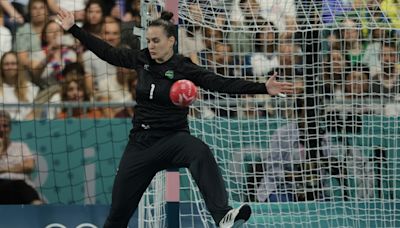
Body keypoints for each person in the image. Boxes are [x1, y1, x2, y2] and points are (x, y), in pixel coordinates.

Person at [56, 8, 296, 228]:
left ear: (171, 41)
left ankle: (222, 214)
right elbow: (109, 53)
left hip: (173, 140)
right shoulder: (142, 60)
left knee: (199, 150)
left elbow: (220, 83)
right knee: (118, 215)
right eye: (149, 41)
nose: (151, 45)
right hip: (140, 143)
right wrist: (74, 29)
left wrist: (263, 88)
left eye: (156, 41)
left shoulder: (183, 67)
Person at [0, 110, 43, 204]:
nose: (2, 129)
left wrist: (3, 169)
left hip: (20, 186)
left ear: (10, 129)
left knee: (22, 187)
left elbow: (29, 166)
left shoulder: (21, 146)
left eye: (5, 126)